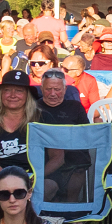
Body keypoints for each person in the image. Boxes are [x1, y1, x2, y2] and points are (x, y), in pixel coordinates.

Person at [32, 68, 93, 200]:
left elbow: (85, 133)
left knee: (79, 159)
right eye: (48, 89)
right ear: (41, 89)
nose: (53, 93)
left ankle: (71, 204)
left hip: (72, 151)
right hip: (43, 154)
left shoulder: (75, 106)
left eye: (58, 89)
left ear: (65, 90)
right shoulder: (34, 108)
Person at [0, 69, 37, 178]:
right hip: (2, 177)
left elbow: (56, 157)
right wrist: (10, 179)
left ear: (27, 95)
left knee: (50, 185)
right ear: (0, 94)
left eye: (19, 91)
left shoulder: (40, 119)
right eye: (7, 90)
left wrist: (37, 177)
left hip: (36, 176)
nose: (13, 95)